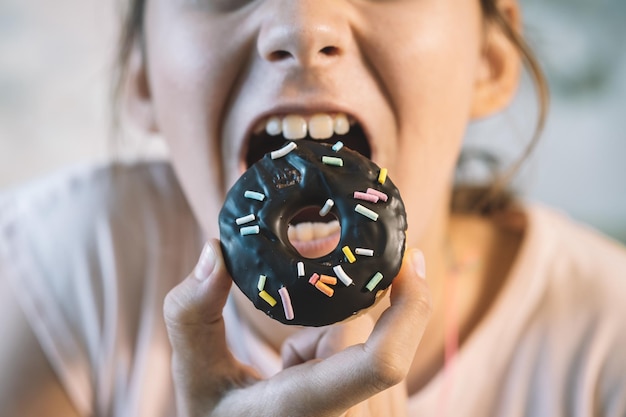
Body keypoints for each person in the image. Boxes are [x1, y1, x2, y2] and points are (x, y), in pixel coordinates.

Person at [1, 0, 625, 415]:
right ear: (142, 77)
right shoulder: (49, 279)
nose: (303, 28)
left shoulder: (605, 345)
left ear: (491, 58)